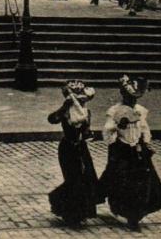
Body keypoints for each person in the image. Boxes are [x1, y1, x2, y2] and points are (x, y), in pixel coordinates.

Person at [99, 75, 161, 231]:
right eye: (130, 98)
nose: (132, 102)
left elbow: (144, 128)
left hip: (137, 150)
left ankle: (134, 216)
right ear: (123, 96)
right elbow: (107, 133)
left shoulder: (140, 111)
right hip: (122, 150)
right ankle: (121, 208)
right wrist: (118, 126)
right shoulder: (115, 111)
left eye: (135, 99)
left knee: (141, 183)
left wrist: (146, 143)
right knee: (122, 181)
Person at [47, 80, 101, 227]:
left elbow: (85, 131)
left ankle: (79, 212)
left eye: (83, 100)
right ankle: (71, 212)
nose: (82, 102)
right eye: (80, 100)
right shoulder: (66, 112)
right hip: (68, 148)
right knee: (73, 179)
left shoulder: (86, 113)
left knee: (85, 177)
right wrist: (64, 106)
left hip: (81, 148)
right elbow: (51, 119)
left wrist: (89, 133)